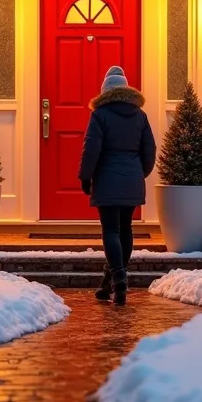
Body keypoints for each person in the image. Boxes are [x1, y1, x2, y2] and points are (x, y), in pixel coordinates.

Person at [78, 66, 156, 305]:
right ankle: (109, 282)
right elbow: (150, 149)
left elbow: (92, 148)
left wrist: (85, 176)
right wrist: (140, 172)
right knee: (126, 230)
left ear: (105, 91)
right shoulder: (140, 115)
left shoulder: (100, 115)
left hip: (107, 179)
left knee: (111, 230)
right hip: (132, 178)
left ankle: (119, 279)